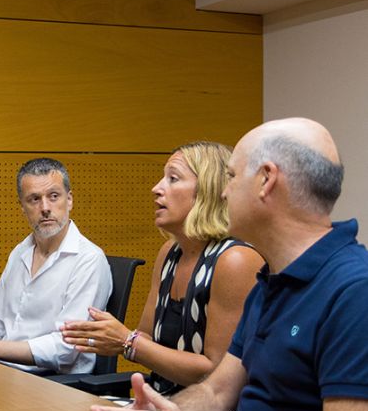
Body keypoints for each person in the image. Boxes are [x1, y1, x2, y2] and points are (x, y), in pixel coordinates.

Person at [91, 118, 368, 411]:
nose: (222, 193)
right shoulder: (272, 279)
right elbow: (218, 392)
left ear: (266, 181)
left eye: (232, 177)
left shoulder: (354, 290)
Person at [61, 142, 263, 395]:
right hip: (163, 402)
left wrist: (127, 342)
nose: (156, 188)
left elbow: (216, 372)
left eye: (173, 179)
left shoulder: (235, 260)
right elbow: (145, 338)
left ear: (208, 191)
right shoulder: (170, 253)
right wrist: (112, 338)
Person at [0, 158, 111, 374]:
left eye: (54, 196)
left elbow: (66, 348)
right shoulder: (20, 251)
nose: (45, 208)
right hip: (5, 373)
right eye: (34, 199)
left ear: (69, 200)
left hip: (56, 385)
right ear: (22, 207)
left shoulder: (89, 259)